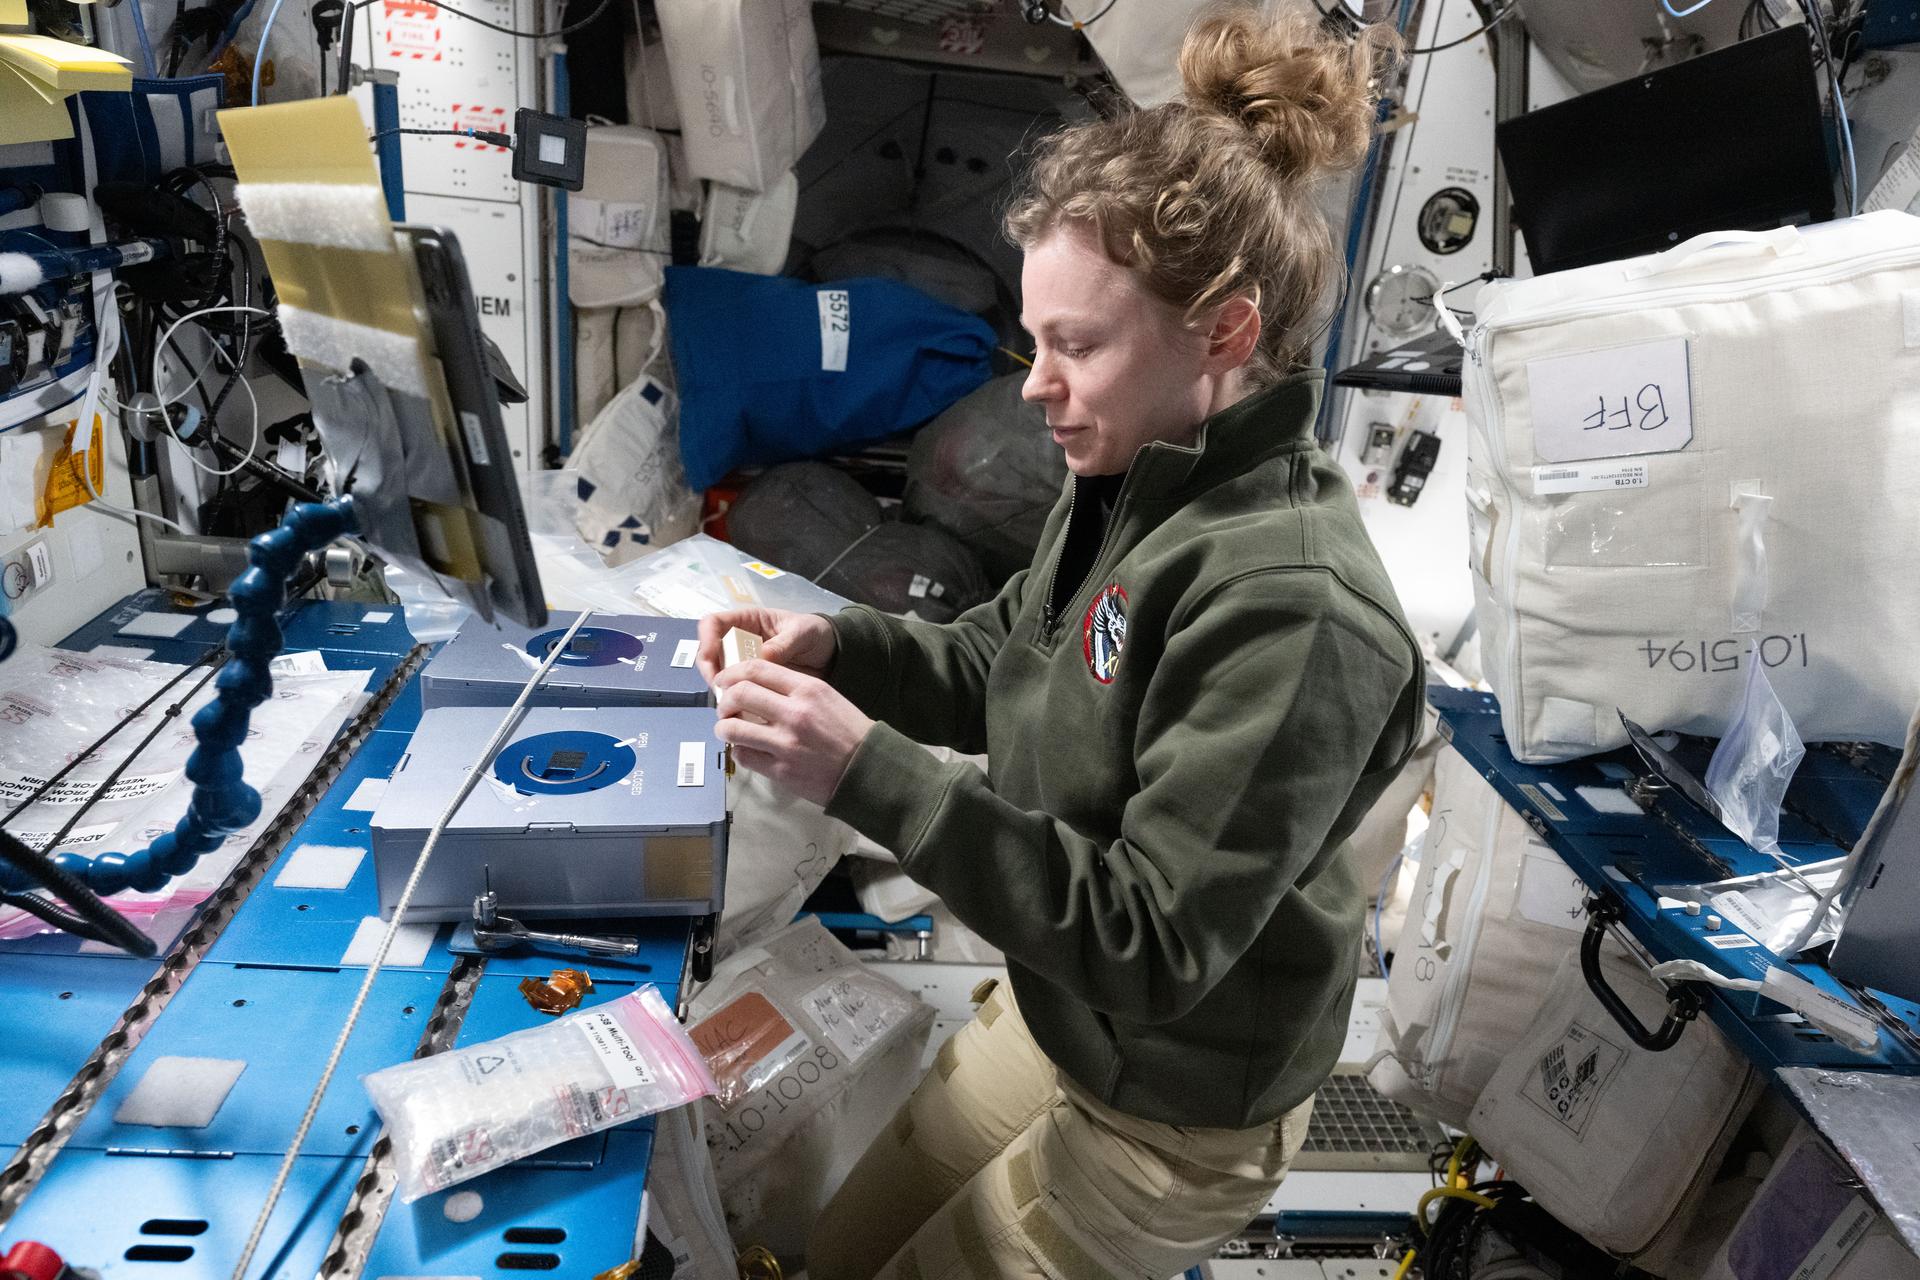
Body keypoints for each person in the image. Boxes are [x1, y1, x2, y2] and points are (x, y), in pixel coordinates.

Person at [695, 7, 1421, 1276]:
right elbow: (1004, 661)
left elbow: (1155, 939)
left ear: (1226, 335)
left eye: (1074, 345)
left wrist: (862, 765)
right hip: (1056, 1013)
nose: (1033, 383)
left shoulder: (1298, 608)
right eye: (1035, 340)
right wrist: (838, 649)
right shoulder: (1138, 466)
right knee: (832, 1249)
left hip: (1169, 1108)